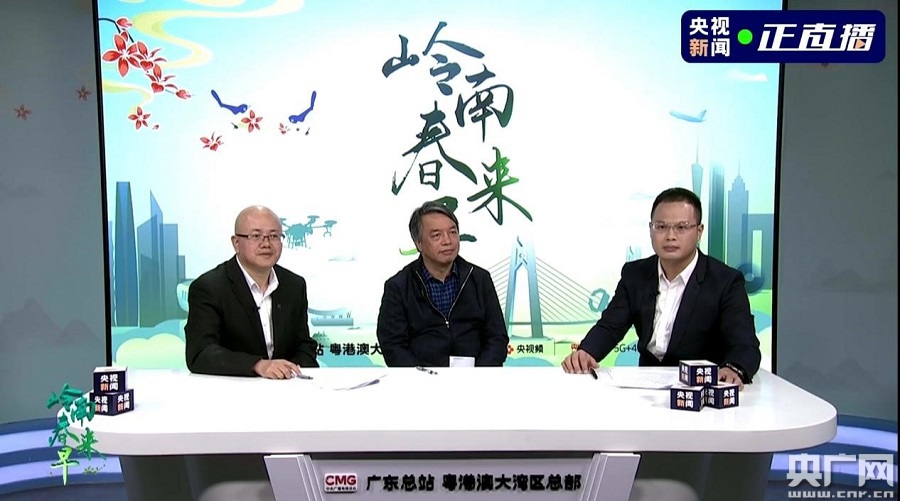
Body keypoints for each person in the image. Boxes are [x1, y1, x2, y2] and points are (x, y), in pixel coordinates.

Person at [562, 188, 760, 388]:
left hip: (700, 389)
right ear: (651, 229)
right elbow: (611, 326)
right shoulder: (635, 274)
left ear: (699, 231)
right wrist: (586, 353)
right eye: (661, 226)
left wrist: (734, 368)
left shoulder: (725, 281)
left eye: (681, 227)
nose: (670, 236)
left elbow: (745, 344)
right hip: (646, 387)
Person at [184, 205, 318, 378]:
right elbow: (200, 353)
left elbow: (304, 345)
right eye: (256, 236)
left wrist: (292, 372)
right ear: (236, 243)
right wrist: (257, 365)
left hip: (286, 387)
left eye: (274, 236)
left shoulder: (294, 285)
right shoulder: (209, 287)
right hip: (230, 387)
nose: (266, 244)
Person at [376, 201, 509, 367]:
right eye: (436, 235)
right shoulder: (399, 287)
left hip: (476, 376)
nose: (448, 241)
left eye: (452, 232)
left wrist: (477, 375)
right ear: (419, 243)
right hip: (422, 378)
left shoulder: (480, 279)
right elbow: (393, 345)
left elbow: (497, 338)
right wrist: (422, 377)